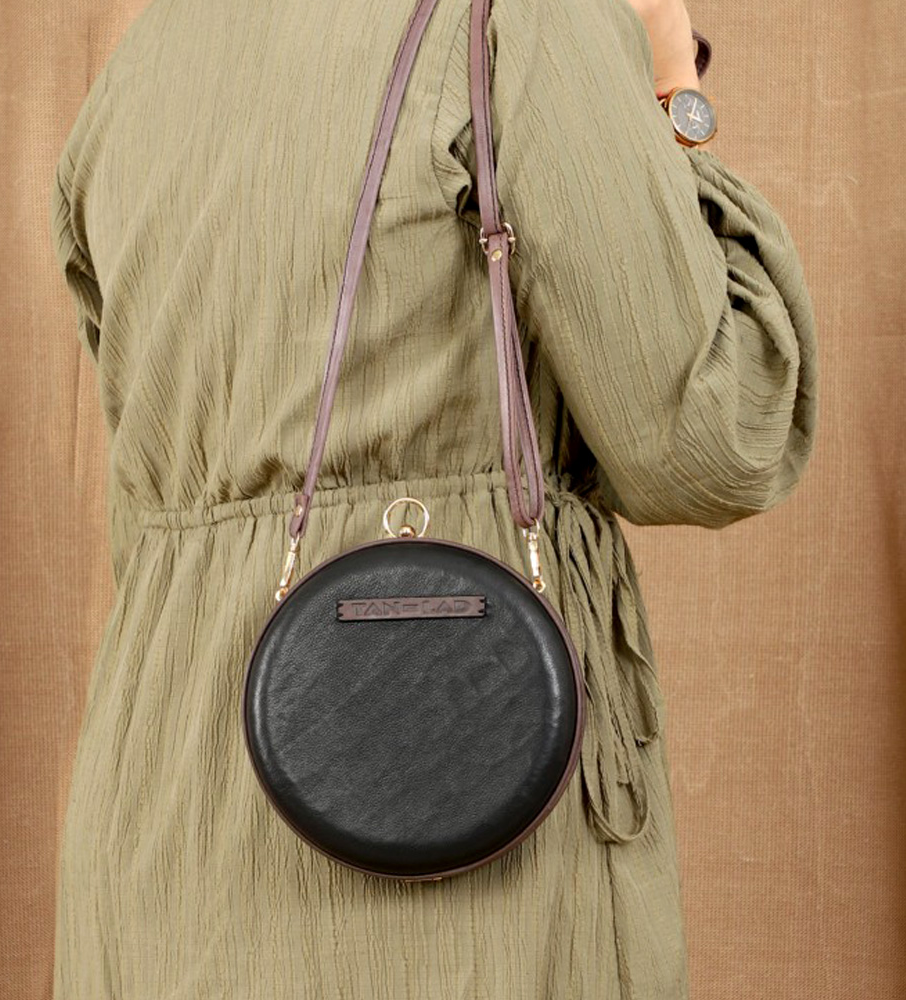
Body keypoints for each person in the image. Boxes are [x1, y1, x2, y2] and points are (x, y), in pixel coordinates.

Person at [48, 0, 819, 996]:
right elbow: (712, 442)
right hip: (455, 821)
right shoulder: (524, 20)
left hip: (159, 816)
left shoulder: (149, 54)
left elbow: (145, 466)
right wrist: (674, 89)